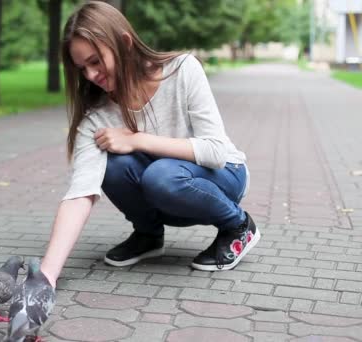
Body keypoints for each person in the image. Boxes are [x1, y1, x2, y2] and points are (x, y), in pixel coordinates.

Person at [40, 1, 260, 288]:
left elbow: (216, 152)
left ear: (125, 43)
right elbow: (81, 192)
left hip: (224, 177)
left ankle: (238, 225)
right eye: (82, 68)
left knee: (161, 175)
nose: (91, 75)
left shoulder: (182, 70)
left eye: (95, 61)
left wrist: (137, 140)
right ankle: (148, 234)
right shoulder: (97, 116)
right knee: (114, 164)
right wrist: (46, 276)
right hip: (167, 190)